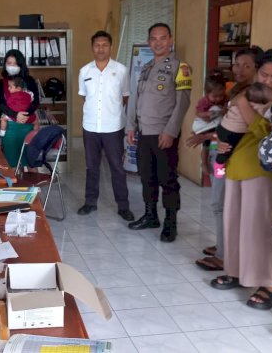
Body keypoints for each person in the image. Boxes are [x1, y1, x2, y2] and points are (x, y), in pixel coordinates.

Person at [209, 48, 272, 312]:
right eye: (264, 74)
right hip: (236, 167)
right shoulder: (250, 90)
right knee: (233, 223)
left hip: (260, 172)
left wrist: (243, 105)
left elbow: (264, 131)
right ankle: (236, 272)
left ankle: (270, 285)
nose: (267, 81)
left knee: (256, 229)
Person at [188, 46, 264, 271]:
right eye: (236, 64)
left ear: (256, 68)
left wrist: (207, 135)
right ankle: (223, 245)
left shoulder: (253, 94)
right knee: (221, 204)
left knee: (221, 205)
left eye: (246, 65)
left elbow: (248, 129)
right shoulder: (235, 90)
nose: (239, 69)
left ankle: (224, 255)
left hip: (233, 156)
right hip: (222, 154)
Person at [125, 23, 192, 242]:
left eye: (162, 38)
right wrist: (131, 126)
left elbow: (182, 103)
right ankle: (150, 215)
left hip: (164, 134)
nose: (158, 42)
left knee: (168, 179)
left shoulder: (180, 68)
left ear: (171, 40)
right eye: (153, 38)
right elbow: (136, 100)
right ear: (148, 41)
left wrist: (171, 131)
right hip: (144, 132)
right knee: (147, 176)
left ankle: (170, 223)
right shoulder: (146, 67)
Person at [76, 30, 133, 221]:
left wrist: (112, 112)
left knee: (117, 166)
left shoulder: (122, 70)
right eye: (97, 45)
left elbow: (125, 96)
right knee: (92, 167)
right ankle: (90, 202)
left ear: (110, 47)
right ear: (92, 47)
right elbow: (84, 96)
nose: (101, 48)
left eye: (105, 45)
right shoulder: (85, 71)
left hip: (113, 127)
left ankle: (123, 206)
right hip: (90, 126)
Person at [212, 82, 272, 178]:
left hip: (222, 126)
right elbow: (268, 114)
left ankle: (219, 163)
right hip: (232, 131)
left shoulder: (239, 101)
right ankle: (218, 166)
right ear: (261, 100)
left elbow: (230, 105)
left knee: (224, 149)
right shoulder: (256, 106)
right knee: (226, 150)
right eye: (270, 98)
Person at [0, 49, 40, 166]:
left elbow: (36, 101)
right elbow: (1, 104)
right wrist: (16, 116)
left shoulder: (29, 81)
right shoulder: (0, 83)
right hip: (9, 128)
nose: (12, 66)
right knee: (12, 162)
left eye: (15, 64)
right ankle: (16, 183)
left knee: (30, 161)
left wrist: (26, 115)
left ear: (21, 65)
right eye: (9, 63)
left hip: (28, 125)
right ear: (5, 65)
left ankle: (31, 183)